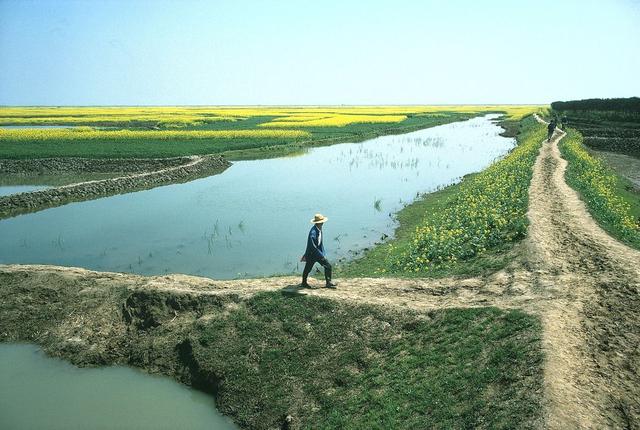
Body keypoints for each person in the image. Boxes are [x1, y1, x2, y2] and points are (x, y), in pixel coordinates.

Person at [300, 213, 337, 289]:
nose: (323, 223)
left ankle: (328, 282)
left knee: (327, 266)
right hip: (313, 254)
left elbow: (319, 243)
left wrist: (322, 252)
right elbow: (313, 247)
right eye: (322, 222)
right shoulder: (313, 233)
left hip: (316, 253)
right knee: (308, 269)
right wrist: (321, 255)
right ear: (319, 223)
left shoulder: (319, 229)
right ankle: (304, 283)